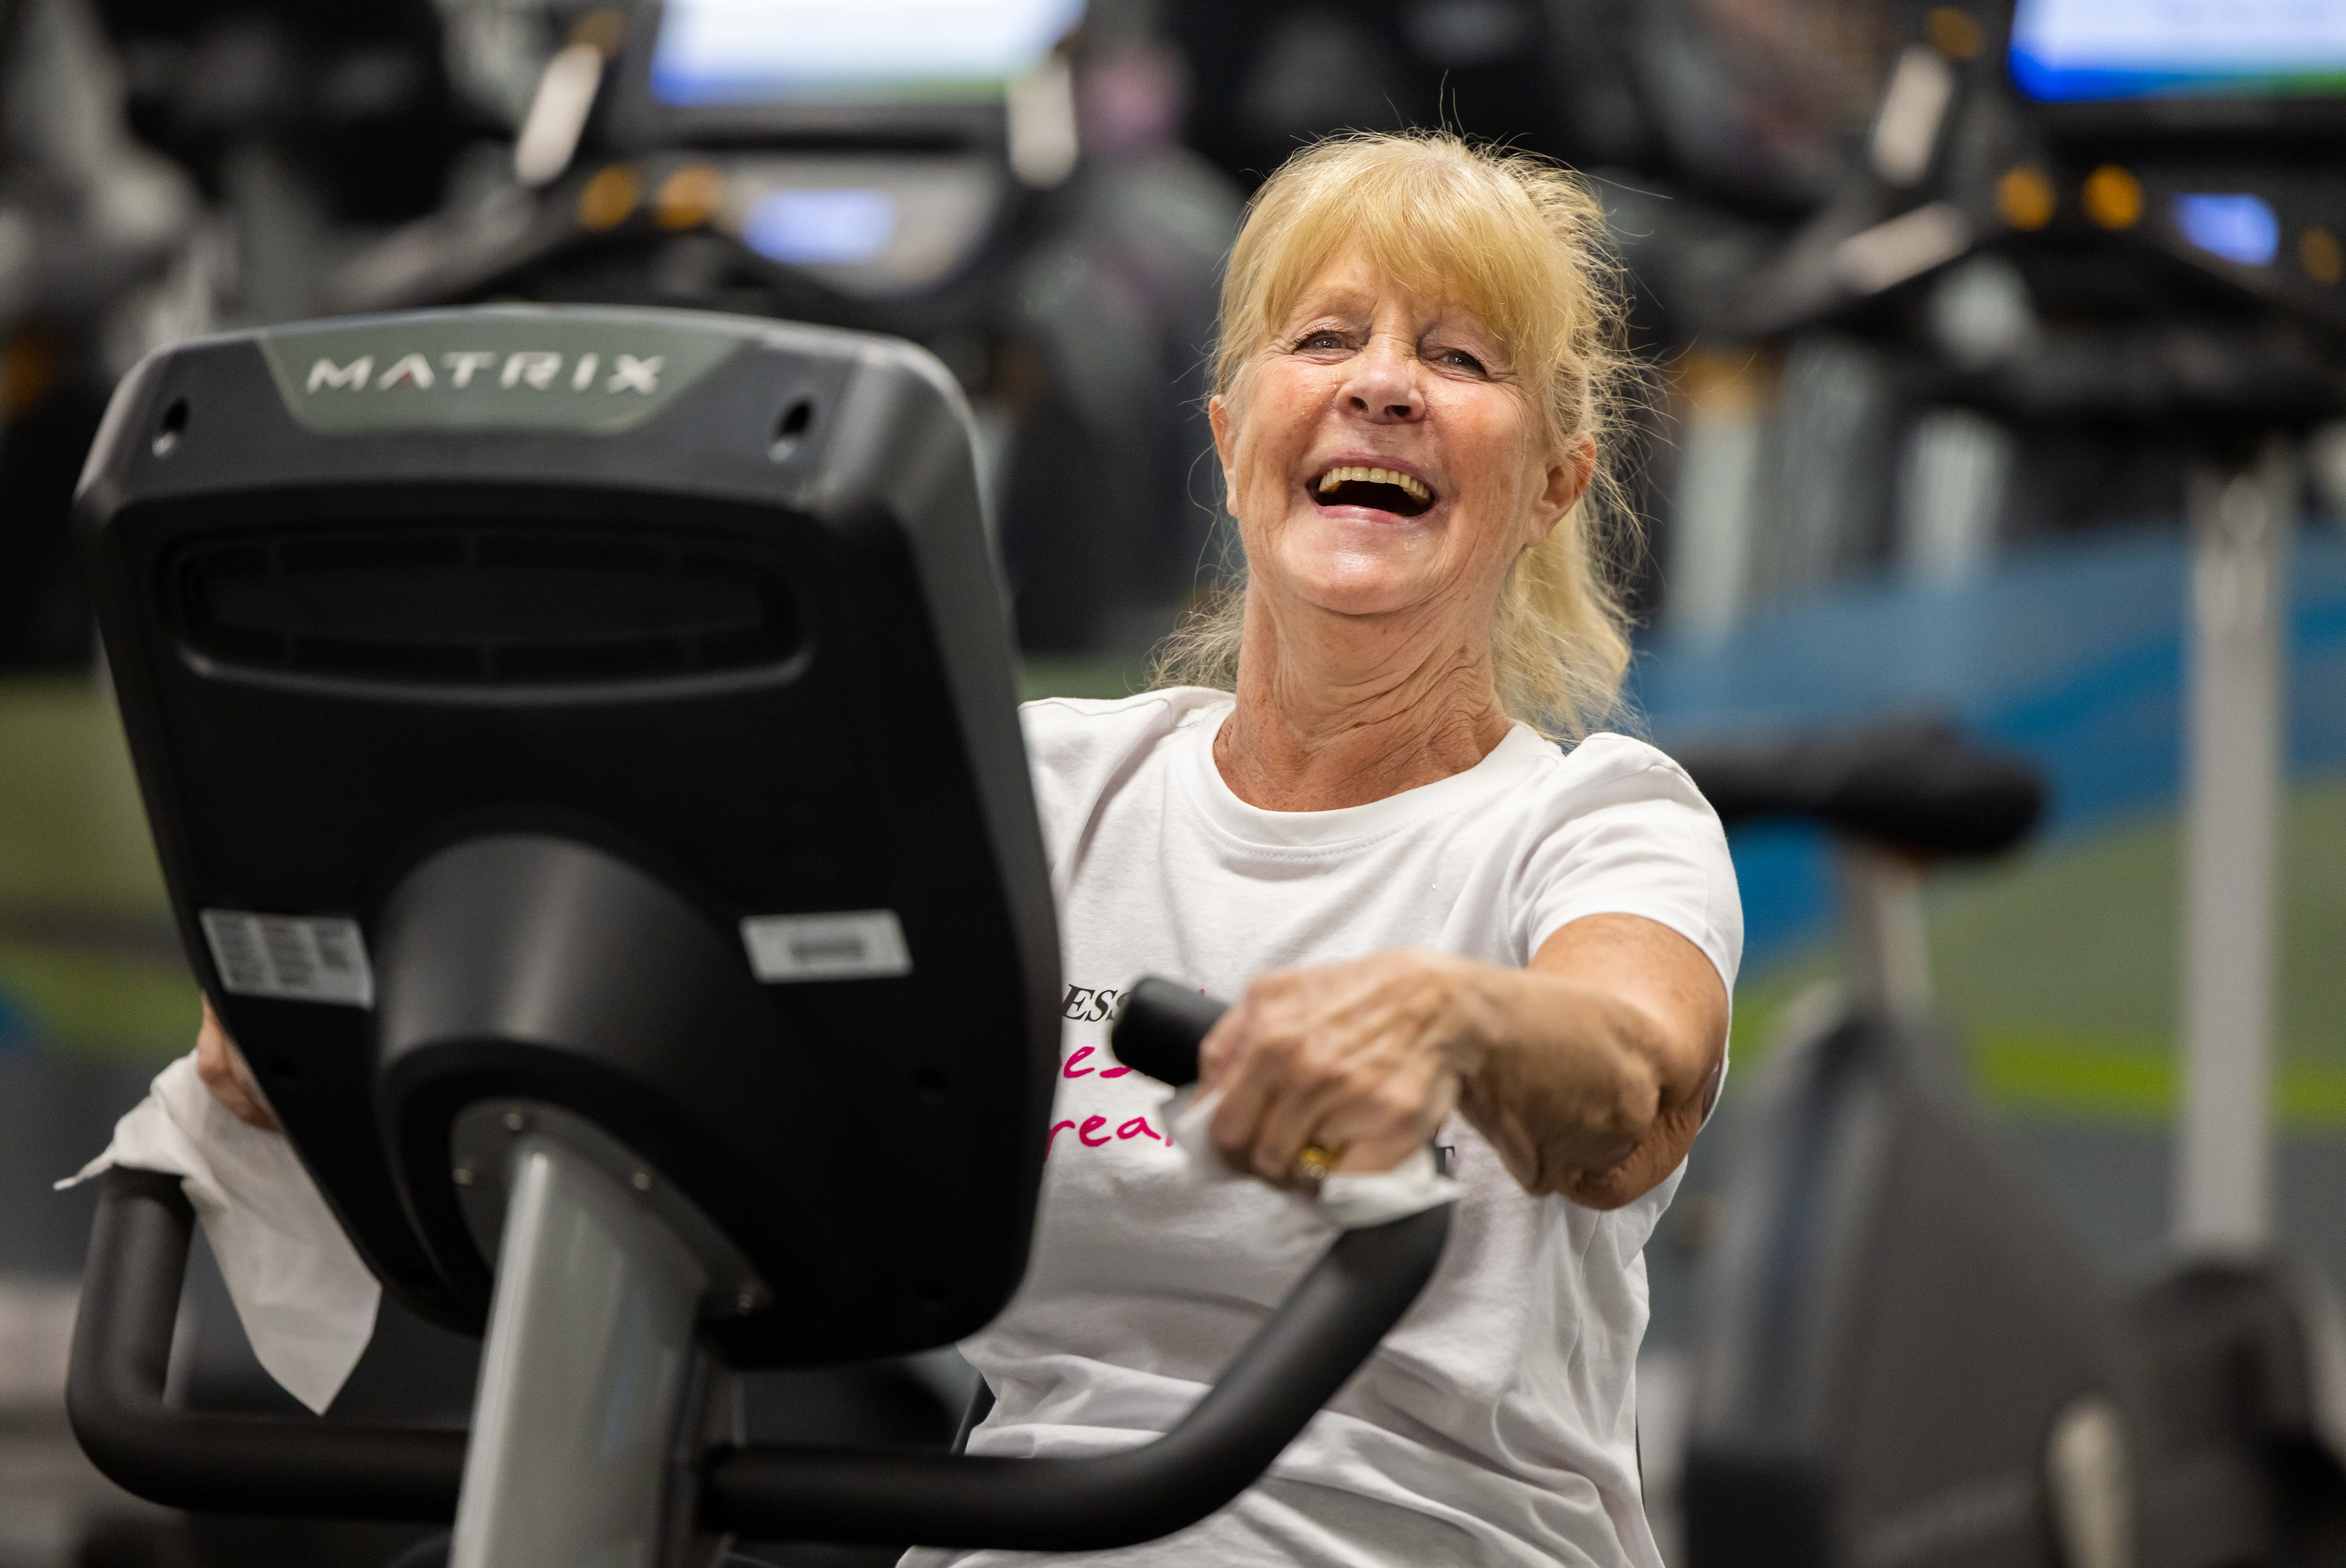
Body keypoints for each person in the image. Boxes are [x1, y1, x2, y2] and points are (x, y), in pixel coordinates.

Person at [163, 129, 1741, 1567]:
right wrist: (365, 1013)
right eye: (1324, 339)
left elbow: (1634, 1074)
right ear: (1232, 426)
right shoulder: (1048, 791)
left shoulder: (1590, 817)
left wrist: (1461, 1019)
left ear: (1554, 477)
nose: (1381, 384)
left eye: (1457, 357)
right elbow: (689, 950)